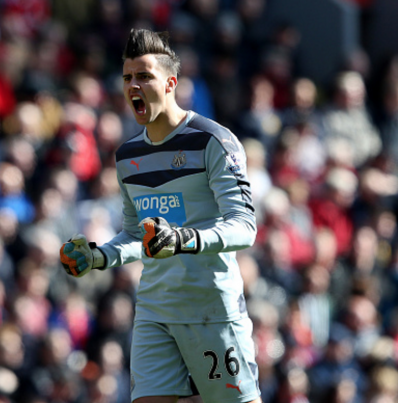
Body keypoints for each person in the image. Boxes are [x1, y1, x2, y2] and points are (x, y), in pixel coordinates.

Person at [60, 29, 262, 403]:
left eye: (144, 76)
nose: (133, 86)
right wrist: (98, 255)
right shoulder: (127, 156)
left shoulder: (214, 141)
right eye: (127, 78)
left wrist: (186, 239)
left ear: (170, 83)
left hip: (209, 308)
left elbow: (245, 226)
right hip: (154, 308)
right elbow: (138, 234)